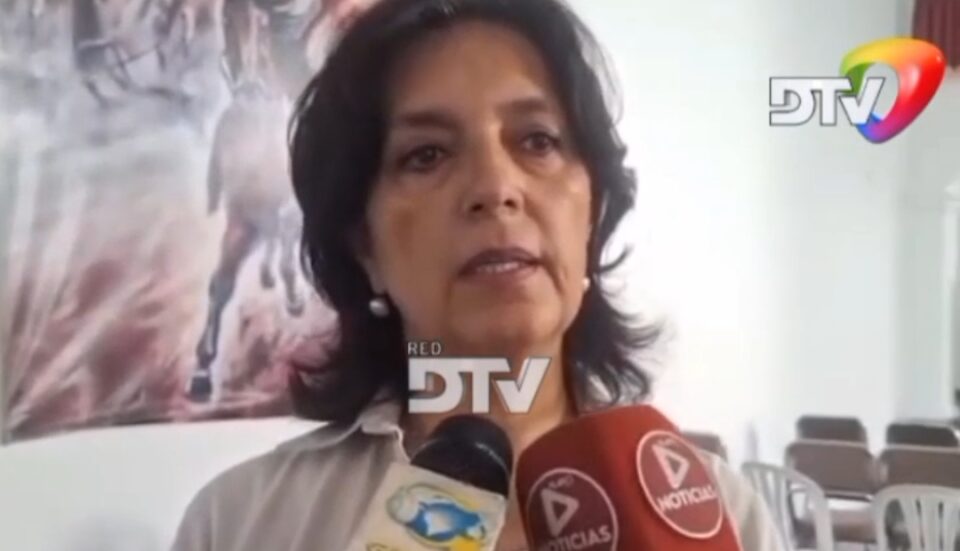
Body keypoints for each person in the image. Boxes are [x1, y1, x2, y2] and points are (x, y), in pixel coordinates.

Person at [170, 0, 783, 549]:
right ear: (365, 247)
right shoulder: (241, 524)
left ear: (592, 217)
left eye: (537, 141)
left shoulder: (724, 517)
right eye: (427, 154)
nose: (495, 186)